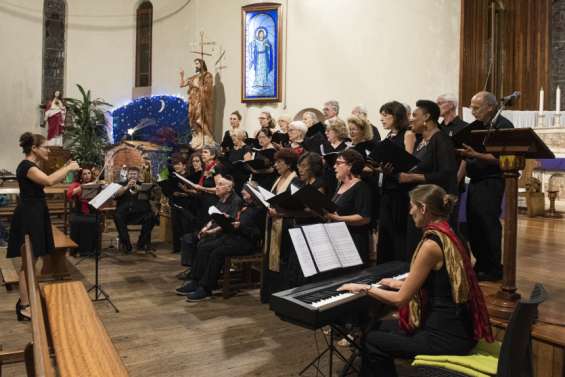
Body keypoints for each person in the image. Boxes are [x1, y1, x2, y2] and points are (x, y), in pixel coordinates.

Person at [338, 184, 493, 377]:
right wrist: (397, 283)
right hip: (460, 328)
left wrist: (364, 288)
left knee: (372, 339)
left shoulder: (430, 245)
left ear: (423, 208)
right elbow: (442, 283)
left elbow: (399, 300)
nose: (410, 212)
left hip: (445, 336)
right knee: (376, 326)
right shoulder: (453, 234)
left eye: (412, 206)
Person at [8, 132, 80, 321]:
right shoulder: (26, 166)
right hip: (29, 216)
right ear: (34, 148)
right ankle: (24, 306)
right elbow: (48, 181)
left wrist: (65, 168)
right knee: (28, 261)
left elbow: (46, 179)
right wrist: (70, 167)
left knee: (33, 259)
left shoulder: (31, 167)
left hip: (35, 214)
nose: (48, 150)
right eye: (45, 146)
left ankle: (28, 298)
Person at [457, 91, 513, 281]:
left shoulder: (503, 126)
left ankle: (494, 268)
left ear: (490, 106)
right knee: (474, 224)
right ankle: (481, 263)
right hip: (476, 181)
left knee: (488, 223)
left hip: (492, 181)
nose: (472, 111)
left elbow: (501, 159)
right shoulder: (478, 127)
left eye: (476, 107)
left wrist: (475, 155)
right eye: (471, 107)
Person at [182, 184, 267, 301]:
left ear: (253, 193)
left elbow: (257, 234)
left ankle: (206, 288)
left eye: (245, 191)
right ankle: (196, 280)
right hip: (233, 237)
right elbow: (237, 222)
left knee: (217, 253)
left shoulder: (260, 210)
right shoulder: (245, 206)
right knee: (204, 247)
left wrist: (240, 226)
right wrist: (227, 219)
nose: (242, 192)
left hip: (246, 243)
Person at [399, 100, 458, 260]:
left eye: (415, 116)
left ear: (427, 117)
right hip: (419, 201)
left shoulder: (441, 140)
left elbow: (446, 174)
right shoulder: (420, 141)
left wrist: (412, 177)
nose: (411, 119)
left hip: (432, 206)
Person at [176, 174, 243, 294]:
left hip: (228, 235)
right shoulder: (221, 199)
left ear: (229, 188)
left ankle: (202, 283)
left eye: (220, 185)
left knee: (205, 246)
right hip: (217, 233)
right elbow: (214, 218)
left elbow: (229, 224)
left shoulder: (236, 201)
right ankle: (196, 279)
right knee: (197, 241)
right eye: (217, 184)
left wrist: (209, 232)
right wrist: (205, 228)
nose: (216, 187)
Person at [377, 101, 416, 264]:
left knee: (398, 231)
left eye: (386, 115)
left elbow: (410, 162)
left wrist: (393, 166)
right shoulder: (388, 136)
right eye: (381, 115)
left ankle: (399, 267)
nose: (381, 119)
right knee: (386, 229)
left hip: (401, 189)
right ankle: (384, 266)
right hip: (387, 186)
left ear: (397, 116)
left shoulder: (407, 134)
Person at [261, 148, 301, 303]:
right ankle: (270, 294)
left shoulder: (295, 180)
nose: (275, 165)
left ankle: (281, 296)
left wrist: (280, 211)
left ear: (289, 163)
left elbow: (295, 205)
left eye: (279, 162)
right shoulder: (278, 179)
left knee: (282, 259)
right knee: (271, 260)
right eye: (275, 162)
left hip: (286, 224)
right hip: (273, 221)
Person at [326, 149, 372, 263]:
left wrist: (338, 219)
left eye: (338, 163)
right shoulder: (341, 186)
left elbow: (365, 218)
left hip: (354, 240)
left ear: (350, 166)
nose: (334, 166)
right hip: (339, 238)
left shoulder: (361, 187)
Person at [113, 167, 156, 253]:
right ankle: (127, 244)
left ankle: (141, 243)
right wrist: (126, 187)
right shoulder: (121, 184)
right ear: (127, 175)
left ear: (138, 175)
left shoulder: (143, 185)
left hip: (140, 213)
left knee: (151, 217)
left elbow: (152, 196)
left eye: (134, 174)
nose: (132, 176)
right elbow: (115, 195)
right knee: (117, 216)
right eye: (131, 174)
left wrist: (140, 189)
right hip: (125, 213)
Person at [66, 166, 99, 257]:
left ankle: (93, 250)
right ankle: (79, 251)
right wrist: (82, 187)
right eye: (84, 174)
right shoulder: (76, 184)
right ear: (81, 176)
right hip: (78, 212)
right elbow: (69, 194)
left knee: (94, 220)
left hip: (91, 212)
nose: (87, 176)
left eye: (89, 173)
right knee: (80, 222)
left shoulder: (95, 184)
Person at [180, 58, 214, 140]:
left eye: (197, 63)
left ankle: (210, 138)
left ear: (202, 64)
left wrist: (196, 85)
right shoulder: (194, 77)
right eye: (195, 64)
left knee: (199, 120)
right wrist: (182, 75)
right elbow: (182, 84)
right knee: (193, 121)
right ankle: (198, 137)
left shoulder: (207, 75)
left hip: (201, 100)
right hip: (193, 101)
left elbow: (208, 89)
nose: (196, 65)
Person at [322, 119, 350, 197]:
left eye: (328, 131)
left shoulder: (348, 145)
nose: (325, 133)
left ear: (337, 131)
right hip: (326, 179)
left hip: (341, 180)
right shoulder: (324, 145)